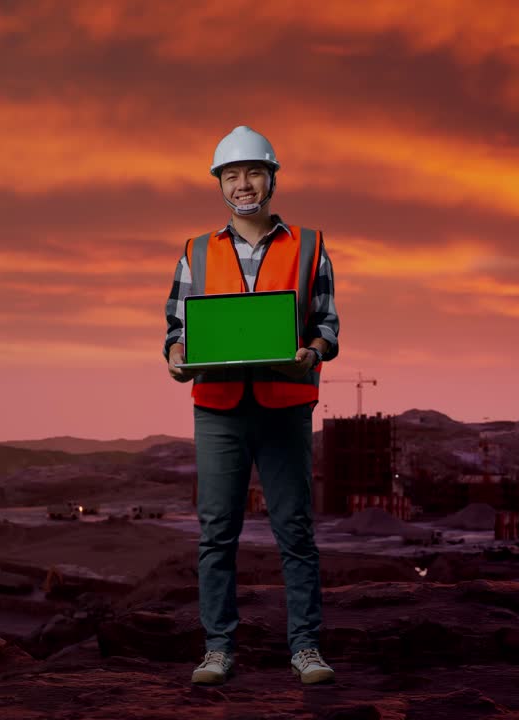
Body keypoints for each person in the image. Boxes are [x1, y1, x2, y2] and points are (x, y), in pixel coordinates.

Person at [163, 126, 340, 686]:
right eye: (231, 175)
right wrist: (174, 355)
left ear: (272, 177)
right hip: (217, 407)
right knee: (217, 533)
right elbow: (175, 327)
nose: (243, 184)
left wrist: (310, 353)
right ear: (220, 184)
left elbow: (328, 327)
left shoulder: (309, 245)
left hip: (285, 404)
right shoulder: (195, 250)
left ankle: (305, 648)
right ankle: (217, 650)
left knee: (295, 530)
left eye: (253, 172)